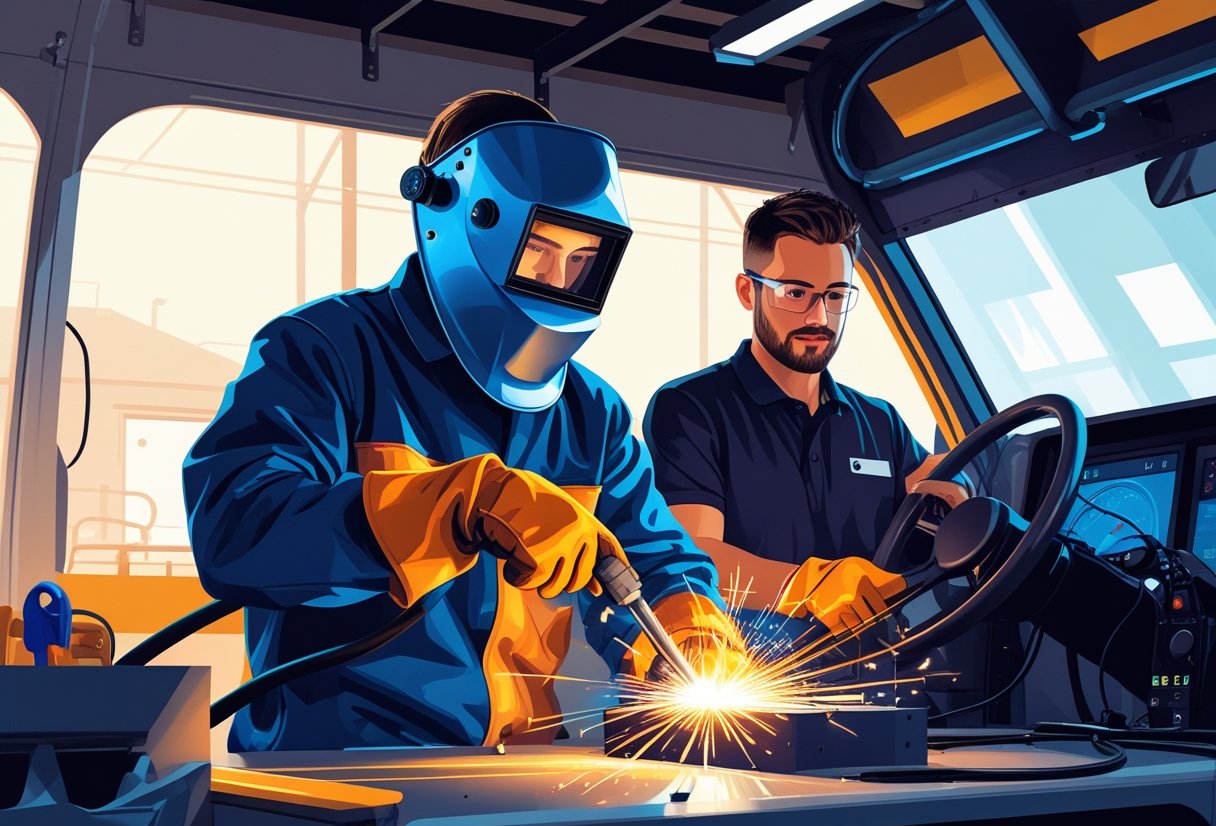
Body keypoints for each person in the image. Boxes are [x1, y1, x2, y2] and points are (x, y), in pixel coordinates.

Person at [183, 90, 747, 752]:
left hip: (526, 767)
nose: (558, 280)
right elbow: (234, 529)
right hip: (341, 770)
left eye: (580, 260)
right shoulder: (325, 350)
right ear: (457, 216)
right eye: (539, 249)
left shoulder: (591, 414)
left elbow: (653, 558)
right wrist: (451, 506)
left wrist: (690, 624)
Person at [644, 189, 969, 637]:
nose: (819, 316)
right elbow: (695, 553)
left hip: (879, 671)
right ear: (747, 291)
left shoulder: (879, 422)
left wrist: (957, 492)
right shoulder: (692, 408)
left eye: (836, 295)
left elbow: (936, 489)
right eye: (795, 292)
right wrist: (807, 585)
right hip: (747, 675)